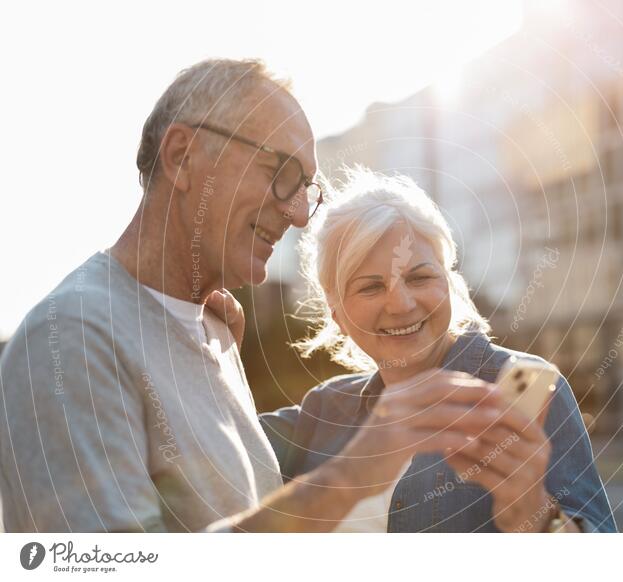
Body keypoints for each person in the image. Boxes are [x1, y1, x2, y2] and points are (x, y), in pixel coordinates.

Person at [0, 59, 511, 532]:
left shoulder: (213, 330)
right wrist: (353, 471)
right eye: (280, 173)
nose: (295, 214)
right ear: (182, 158)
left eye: (306, 188)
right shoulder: (68, 338)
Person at [260, 168, 617, 532]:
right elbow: (207, 457)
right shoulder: (324, 410)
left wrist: (540, 518)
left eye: (419, 277)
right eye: (370, 287)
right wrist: (213, 335)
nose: (400, 304)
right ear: (337, 314)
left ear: (449, 281)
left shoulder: (523, 394)